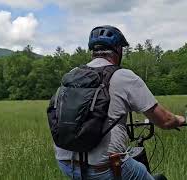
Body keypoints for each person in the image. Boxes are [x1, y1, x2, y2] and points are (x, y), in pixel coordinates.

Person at [55, 25, 186, 180]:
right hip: (105, 169)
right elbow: (165, 121)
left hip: (66, 164)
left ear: (93, 52)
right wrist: (181, 119)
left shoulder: (72, 74)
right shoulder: (124, 76)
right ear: (118, 50)